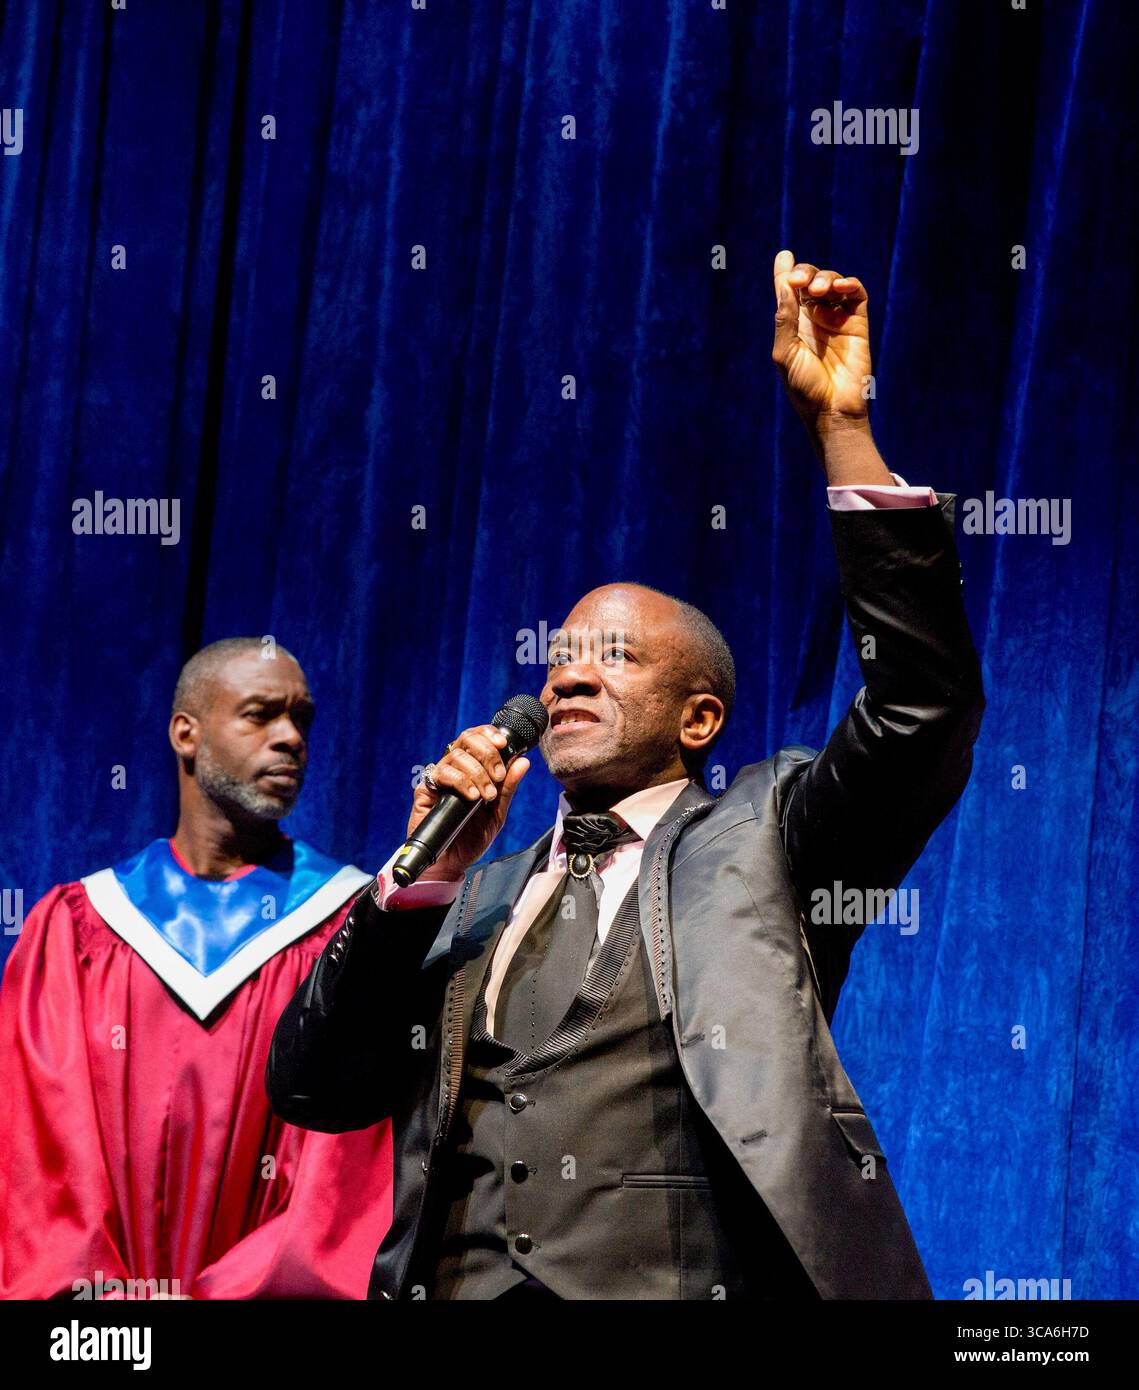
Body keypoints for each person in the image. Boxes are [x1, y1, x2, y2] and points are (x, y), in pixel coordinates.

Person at [267, 251, 986, 1300]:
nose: (566, 677)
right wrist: (413, 885)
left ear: (700, 717)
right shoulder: (472, 897)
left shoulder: (769, 840)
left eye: (610, 658)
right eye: (556, 658)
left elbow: (922, 710)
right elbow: (313, 1086)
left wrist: (840, 431)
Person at [0, 639, 390, 1299]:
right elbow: (41, 1160)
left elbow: (342, 1182)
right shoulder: (76, 929)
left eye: (302, 719)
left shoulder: (346, 926)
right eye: (261, 714)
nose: (290, 738)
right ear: (187, 732)